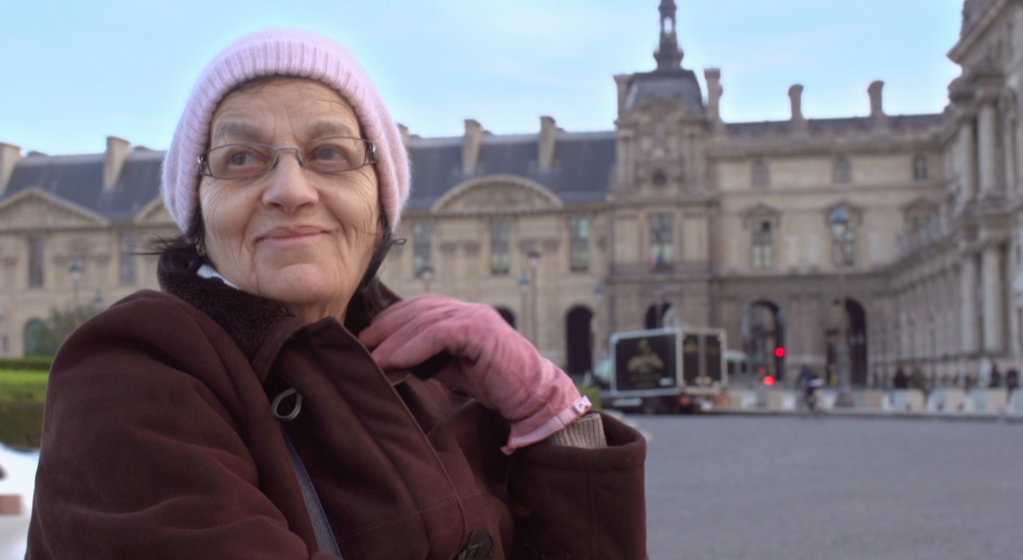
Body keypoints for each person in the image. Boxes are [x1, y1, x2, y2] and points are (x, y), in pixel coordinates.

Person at [26, 30, 647, 560]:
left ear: (381, 202)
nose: (290, 190)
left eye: (329, 154)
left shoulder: (437, 377)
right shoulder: (132, 371)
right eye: (241, 158)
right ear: (199, 214)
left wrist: (552, 417)